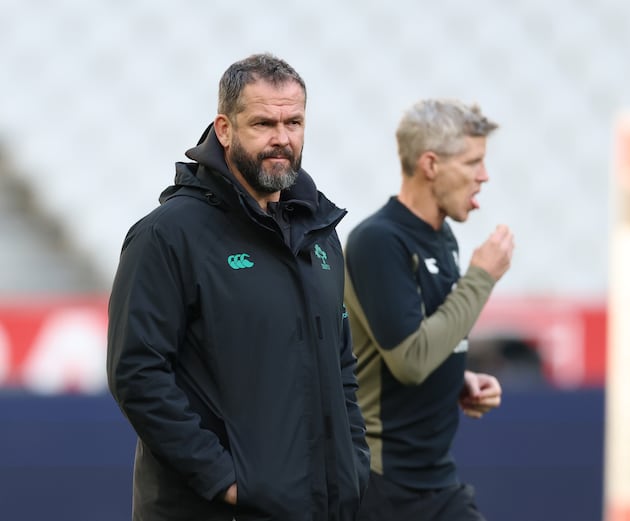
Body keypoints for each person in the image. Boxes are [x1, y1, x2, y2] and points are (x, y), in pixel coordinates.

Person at [106, 52, 370, 521]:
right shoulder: (167, 236)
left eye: (294, 122)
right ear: (224, 130)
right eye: (263, 123)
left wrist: (352, 465)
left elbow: (341, 366)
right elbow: (137, 375)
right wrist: (224, 481)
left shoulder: (321, 235)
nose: (282, 139)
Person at [343, 99, 515, 521]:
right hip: (383, 486)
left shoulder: (443, 238)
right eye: (473, 162)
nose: (484, 176)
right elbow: (411, 361)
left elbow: (424, 337)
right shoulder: (378, 241)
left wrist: (458, 376)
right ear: (431, 164)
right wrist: (481, 278)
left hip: (436, 480)